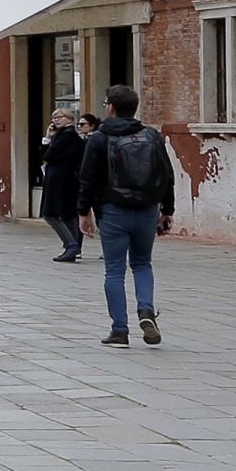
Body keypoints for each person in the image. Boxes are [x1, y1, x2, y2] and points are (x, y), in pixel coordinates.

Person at [77, 82, 175, 347]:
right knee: (142, 264)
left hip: (113, 210)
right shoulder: (151, 135)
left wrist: (83, 212)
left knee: (114, 271)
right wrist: (167, 210)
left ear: (110, 108)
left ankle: (120, 330)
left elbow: (88, 179)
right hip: (146, 210)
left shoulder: (98, 138)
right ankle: (146, 309)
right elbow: (167, 174)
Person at [40, 108, 86, 263]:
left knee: (50, 214)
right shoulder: (63, 135)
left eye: (60, 117)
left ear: (70, 119)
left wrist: (47, 140)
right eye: (54, 117)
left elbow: (48, 155)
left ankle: (71, 245)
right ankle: (73, 248)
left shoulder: (68, 136)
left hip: (61, 181)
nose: (56, 120)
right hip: (63, 179)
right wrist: (50, 138)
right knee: (68, 215)